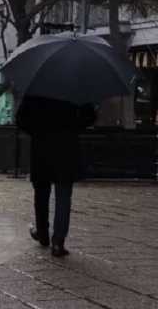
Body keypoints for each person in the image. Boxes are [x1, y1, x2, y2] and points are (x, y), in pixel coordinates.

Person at [16, 96, 96, 257]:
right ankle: (58, 241)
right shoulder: (75, 90)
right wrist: (73, 127)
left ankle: (43, 233)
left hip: (42, 147)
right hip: (66, 147)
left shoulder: (37, 90)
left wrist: (38, 131)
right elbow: (90, 117)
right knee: (63, 194)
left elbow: (21, 119)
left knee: (41, 192)